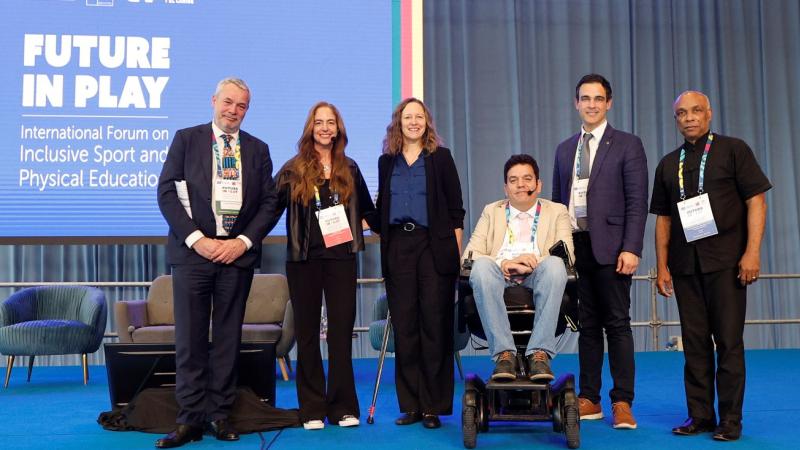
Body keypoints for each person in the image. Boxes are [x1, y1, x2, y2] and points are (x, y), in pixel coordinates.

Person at [155, 77, 278, 448]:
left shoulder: (258, 150)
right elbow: (166, 192)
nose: (233, 111)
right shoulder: (186, 139)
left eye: (241, 106)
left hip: (236, 258)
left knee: (227, 339)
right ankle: (189, 420)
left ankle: (221, 416)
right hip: (193, 255)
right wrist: (198, 240)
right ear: (213, 101)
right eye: (228, 103)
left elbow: (270, 203)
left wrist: (241, 243)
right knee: (190, 340)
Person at [651, 91, 770, 442]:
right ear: (676, 119)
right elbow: (663, 220)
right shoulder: (667, 163)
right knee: (695, 344)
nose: (689, 118)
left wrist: (752, 253)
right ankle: (700, 415)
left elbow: (757, 201)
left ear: (709, 114)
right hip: (685, 266)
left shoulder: (734, 150)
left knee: (729, 343)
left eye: (696, 111)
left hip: (728, 263)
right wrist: (662, 266)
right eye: (682, 113)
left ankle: (730, 420)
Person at [271, 102, 377, 430]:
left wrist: (355, 227)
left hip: (341, 260)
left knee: (341, 334)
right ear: (310, 128)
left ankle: (343, 407)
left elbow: (370, 214)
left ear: (339, 129)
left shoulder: (351, 168)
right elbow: (268, 209)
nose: (325, 128)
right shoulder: (292, 169)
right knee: (306, 334)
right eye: (320, 122)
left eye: (331, 123)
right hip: (303, 261)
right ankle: (312, 408)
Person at [552, 73, 648, 429]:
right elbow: (558, 207)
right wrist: (558, 253)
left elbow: (638, 202)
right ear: (576, 103)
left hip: (613, 248)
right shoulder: (564, 149)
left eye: (598, 98)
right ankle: (589, 398)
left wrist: (632, 247)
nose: (591, 104)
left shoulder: (627, 144)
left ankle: (622, 401)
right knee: (587, 326)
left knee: (618, 325)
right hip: (577, 248)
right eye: (584, 98)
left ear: (608, 103)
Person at [373, 98, 465, 429]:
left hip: (433, 247)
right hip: (398, 246)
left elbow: (456, 211)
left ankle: (433, 407)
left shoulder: (441, 158)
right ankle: (410, 405)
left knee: (434, 326)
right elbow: (380, 209)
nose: (413, 122)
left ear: (427, 122)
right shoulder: (387, 162)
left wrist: (455, 258)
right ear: (398, 123)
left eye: (419, 117)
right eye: (407, 117)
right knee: (406, 327)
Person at [464, 154, 573, 382]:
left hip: (538, 272)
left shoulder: (557, 211)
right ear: (506, 188)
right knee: (481, 267)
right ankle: (504, 354)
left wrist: (531, 260)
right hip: (500, 274)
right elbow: (469, 255)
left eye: (527, 179)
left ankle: (539, 353)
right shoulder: (492, 211)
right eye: (513, 180)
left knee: (555, 264)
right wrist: (504, 263)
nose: (521, 185)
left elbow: (567, 253)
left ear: (538, 184)